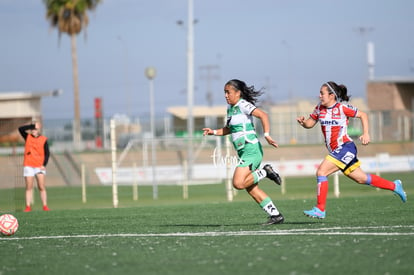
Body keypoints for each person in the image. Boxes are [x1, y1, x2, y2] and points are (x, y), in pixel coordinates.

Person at [297, 81, 407, 219]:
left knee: (321, 171)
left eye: (322, 93)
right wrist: (303, 123)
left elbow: (363, 115)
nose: (319, 96)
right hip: (336, 151)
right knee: (361, 179)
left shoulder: (342, 108)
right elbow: (310, 123)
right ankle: (395, 186)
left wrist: (366, 133)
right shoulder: (319, 108)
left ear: (331, 95)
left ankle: (320, 209)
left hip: (345, 147)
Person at [203, 79, 284, 225]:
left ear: (238, 93)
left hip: (251, 149)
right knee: (251, 188)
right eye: (224, 92)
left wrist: (266, 135)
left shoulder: (243, 105)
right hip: (243, 152)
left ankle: (266, 172)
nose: (226, 95)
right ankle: (275, 215)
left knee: (238, 183)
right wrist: (213, 132)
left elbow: (263, 115)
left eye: (228, 92)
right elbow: (229, 129)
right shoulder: (231, 109)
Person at [18, 122, 51, 212]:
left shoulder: (43, 139)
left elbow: (47, 153)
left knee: (41, 186)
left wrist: (44, 165)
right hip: (28, 165)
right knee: (29, 186)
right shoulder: (27, 137)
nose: (33, 131)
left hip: (39, 166)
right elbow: (20, 129)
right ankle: (28, 206)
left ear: (39, 130)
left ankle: (45, 206)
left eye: (35, 129)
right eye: (32, 129)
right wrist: (32, 125)